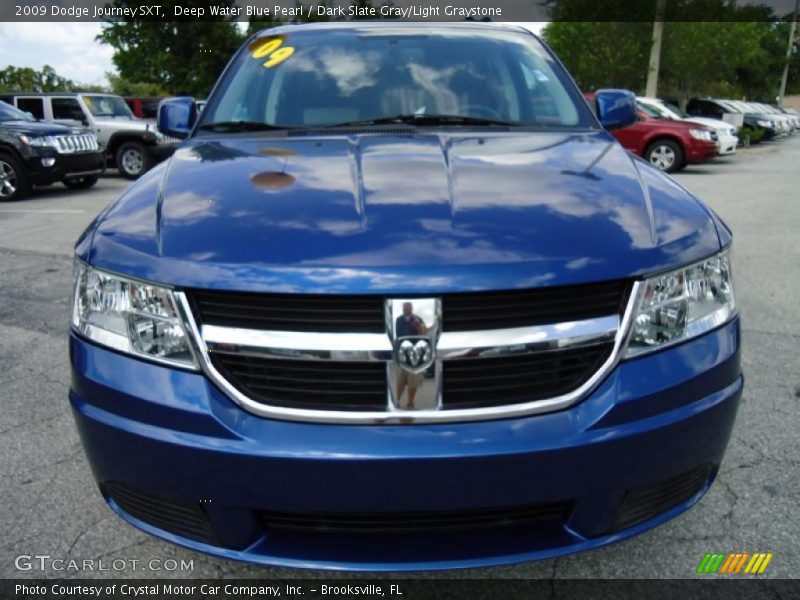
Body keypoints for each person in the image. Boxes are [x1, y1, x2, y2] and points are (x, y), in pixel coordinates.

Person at [395, 302, 427, 409]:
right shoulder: (399, 320)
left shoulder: (418, 319)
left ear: (412, 308)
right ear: (402, 309)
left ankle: (410, 402)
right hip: (403, 353)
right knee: (400, 381)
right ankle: (397, 401)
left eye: (408, 308)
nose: (406, 310)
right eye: (404, 308)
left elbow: (424, 334)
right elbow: (399, 336)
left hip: (416, 355)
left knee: (413, 382)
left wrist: (417, 326)